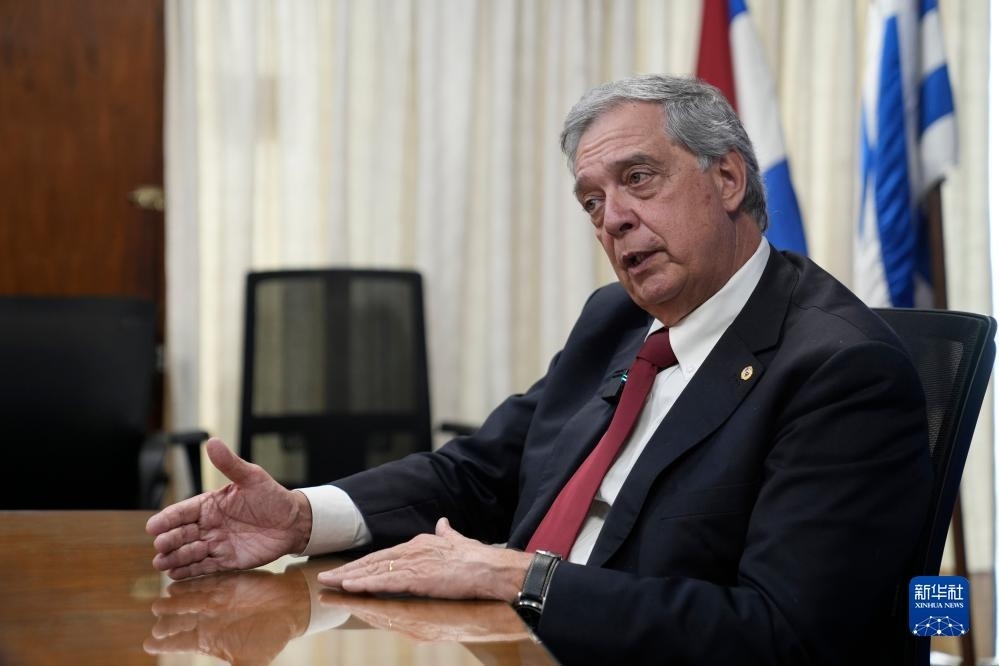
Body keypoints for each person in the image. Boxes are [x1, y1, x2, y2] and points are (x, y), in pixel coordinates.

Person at [148, 74, 931, 665]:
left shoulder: (837, 370)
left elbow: (781, 634)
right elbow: (479, 472)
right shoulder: (616, 320)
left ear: (726, 179)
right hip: (502, 644)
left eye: (638, 179)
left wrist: (519, 578)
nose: (612, 218)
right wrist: (302, 518)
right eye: (591, 201)